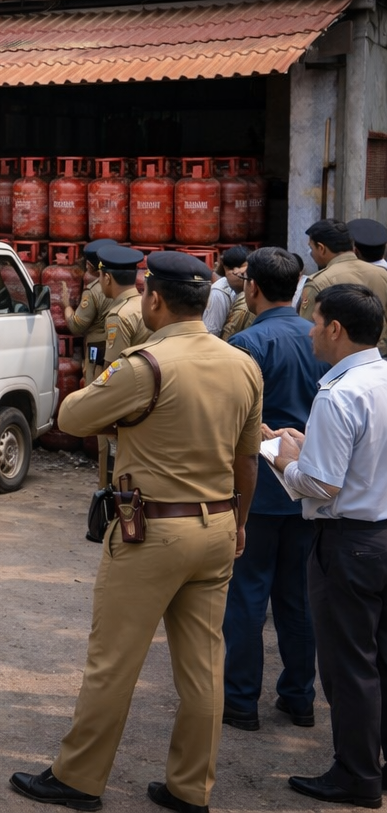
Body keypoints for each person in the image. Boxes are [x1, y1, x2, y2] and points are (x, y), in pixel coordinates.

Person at [11, 251, 263, 813]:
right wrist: (240, 522)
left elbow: (73, 417)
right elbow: (247, 459)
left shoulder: (148, 364)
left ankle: (78, 779)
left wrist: (121, 411)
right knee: (203, 667)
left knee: (113, 660)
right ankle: (189, 789)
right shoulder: (240, 363)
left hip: (152, 531)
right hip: (219, 524)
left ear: (155, 299)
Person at [270, 283, 387, 809]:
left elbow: (322, 486)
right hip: (379, 532)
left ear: (336, 329)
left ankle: (356, 775)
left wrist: (283, 460)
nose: (312, 331)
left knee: (349, 666)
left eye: (316, 322)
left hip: (350, 543)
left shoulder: (340, 393)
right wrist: (304, 449)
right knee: (378, 659)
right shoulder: (379, 380)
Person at [221, 248, 326, 734]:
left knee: (246, 593)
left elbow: (230, 422)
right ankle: (299, 697)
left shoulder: (246, 342)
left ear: (252, 288)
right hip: (306, 486)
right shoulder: (319, 339)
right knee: (296, 597)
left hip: (258, 486)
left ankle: (241, 703)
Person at [93, 245, 149, 488]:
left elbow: (112, 370)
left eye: (100, 275)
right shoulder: (144, 306)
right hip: (152, 397)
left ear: (106, 277)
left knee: (114, 460)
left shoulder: (119, 314)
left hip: (129, 401)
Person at [297, 218, 387, 353]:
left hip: (339, 362)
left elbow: (307, 332)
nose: (311, 254)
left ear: (321, 248)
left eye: (311, 248)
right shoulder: (382, 274)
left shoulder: (318, 282)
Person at [67, 239, 116, 382]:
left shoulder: (93, 291)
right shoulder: (124, 284)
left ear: (89, 265)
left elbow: (76, 326)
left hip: (99, 351)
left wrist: (66, 307)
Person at [202, 246, 249, 335]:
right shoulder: (219, 292)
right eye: (231, 269)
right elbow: (212, 332)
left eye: (243, 270)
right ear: (225, 269)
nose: (237, 273)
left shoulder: (253, 285)